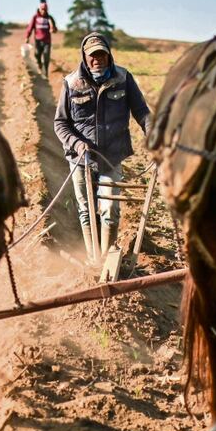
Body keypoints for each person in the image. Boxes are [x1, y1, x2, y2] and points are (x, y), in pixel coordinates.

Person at [54, 32, 151, 261]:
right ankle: (93, 259)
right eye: (92, 56)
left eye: (101, 54)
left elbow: (142, 112)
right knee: (86, 211)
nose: (97, 59)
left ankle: (107, 261)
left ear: (109, 55)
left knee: (109, 210)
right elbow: (60, 123)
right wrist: (77, 145)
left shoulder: (123, 78)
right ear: (84, 57)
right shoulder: (71, 83)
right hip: (80, 158)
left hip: (112, 156)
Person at [23, 0, 57, 77]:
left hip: (47, 41)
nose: (43, 11)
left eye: (45, 10)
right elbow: (30, 27)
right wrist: (27, 37)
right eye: (42, 9)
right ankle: (40, 67)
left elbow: (55, 29)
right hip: (38, 40)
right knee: (37, 55)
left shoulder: (50, 18)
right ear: (39, 9)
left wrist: (53, 30)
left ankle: (45, 73)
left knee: (46, 56)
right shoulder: (35, 17)